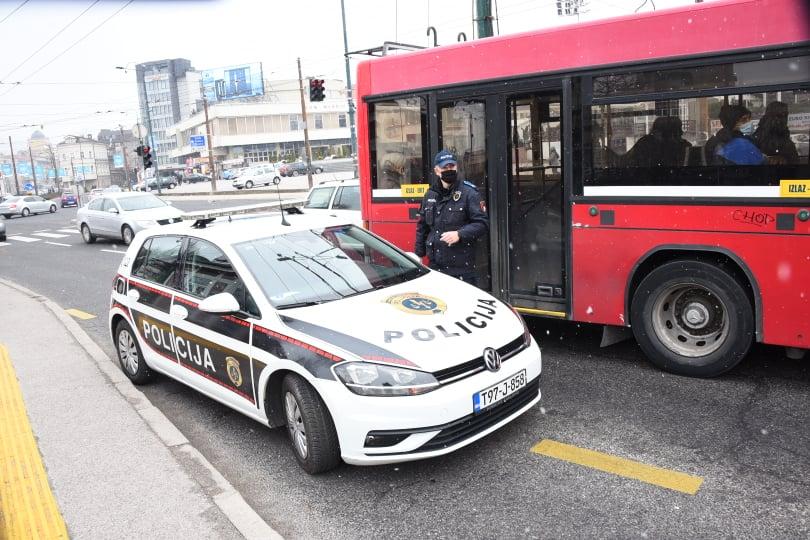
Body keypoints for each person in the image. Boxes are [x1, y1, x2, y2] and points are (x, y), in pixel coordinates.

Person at [415, 150, 489, 286]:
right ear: (437, 171)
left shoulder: (469, 193)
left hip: (461, 268)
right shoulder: (430, 195)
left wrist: (459, 234)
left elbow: (482, 224)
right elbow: (422, 226)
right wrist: (418, 255)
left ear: (457, 167)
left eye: (452, 166)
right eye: (445, 167)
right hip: (435, 266)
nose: (449, 170)